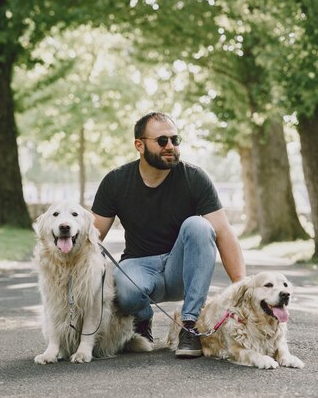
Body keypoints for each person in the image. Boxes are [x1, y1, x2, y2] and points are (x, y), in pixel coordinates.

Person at [91, 111, 246, 358]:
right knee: (124, 291)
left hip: (180, 269)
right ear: (139, 145)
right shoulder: (116, 181)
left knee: (199, 225)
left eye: (175, 140)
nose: (170, 146)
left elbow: (224, 232)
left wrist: (242, 289)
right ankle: (142, 319)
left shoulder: (194, 178)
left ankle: (190, 325)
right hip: (139, 267)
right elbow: (92, 236)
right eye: (162, 141)